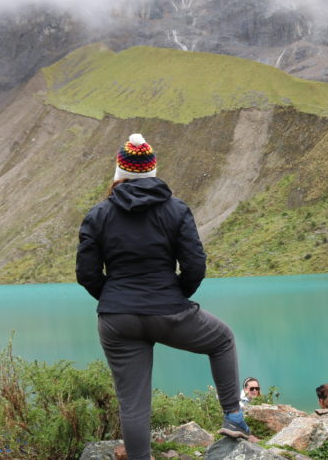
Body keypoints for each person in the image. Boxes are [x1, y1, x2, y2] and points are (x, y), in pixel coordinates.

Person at [76, 133, 250, 460]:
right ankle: (234, 418)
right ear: (152, 171)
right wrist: (174, 295)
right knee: (222, 339)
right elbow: (195, 266)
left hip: (117, 319)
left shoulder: (98, 214)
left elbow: (86, 274)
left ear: (120, 173)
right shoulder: (176, 210)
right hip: (169, 311)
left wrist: (114, 298)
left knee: (133, 402)